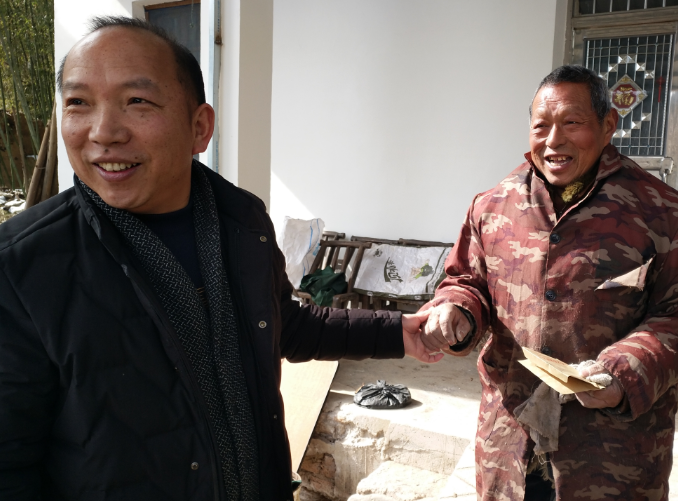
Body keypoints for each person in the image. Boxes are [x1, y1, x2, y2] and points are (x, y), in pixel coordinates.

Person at [0, 17, 439, 501]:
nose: (103, 132)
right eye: (78, 103)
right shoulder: (23, 267)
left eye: (137, 101)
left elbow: (280, 325)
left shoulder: (241, 222)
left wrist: (397, 331)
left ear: (199, 127)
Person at [421, 66, 678, 500]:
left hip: (610, 456)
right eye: (540, 126)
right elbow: (466, 281)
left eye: (572, 123)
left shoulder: (662, 211)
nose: (553, 140)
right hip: (509, 443)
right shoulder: (493, 205)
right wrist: (456, 310)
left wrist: (623, 369)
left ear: (607, 126)